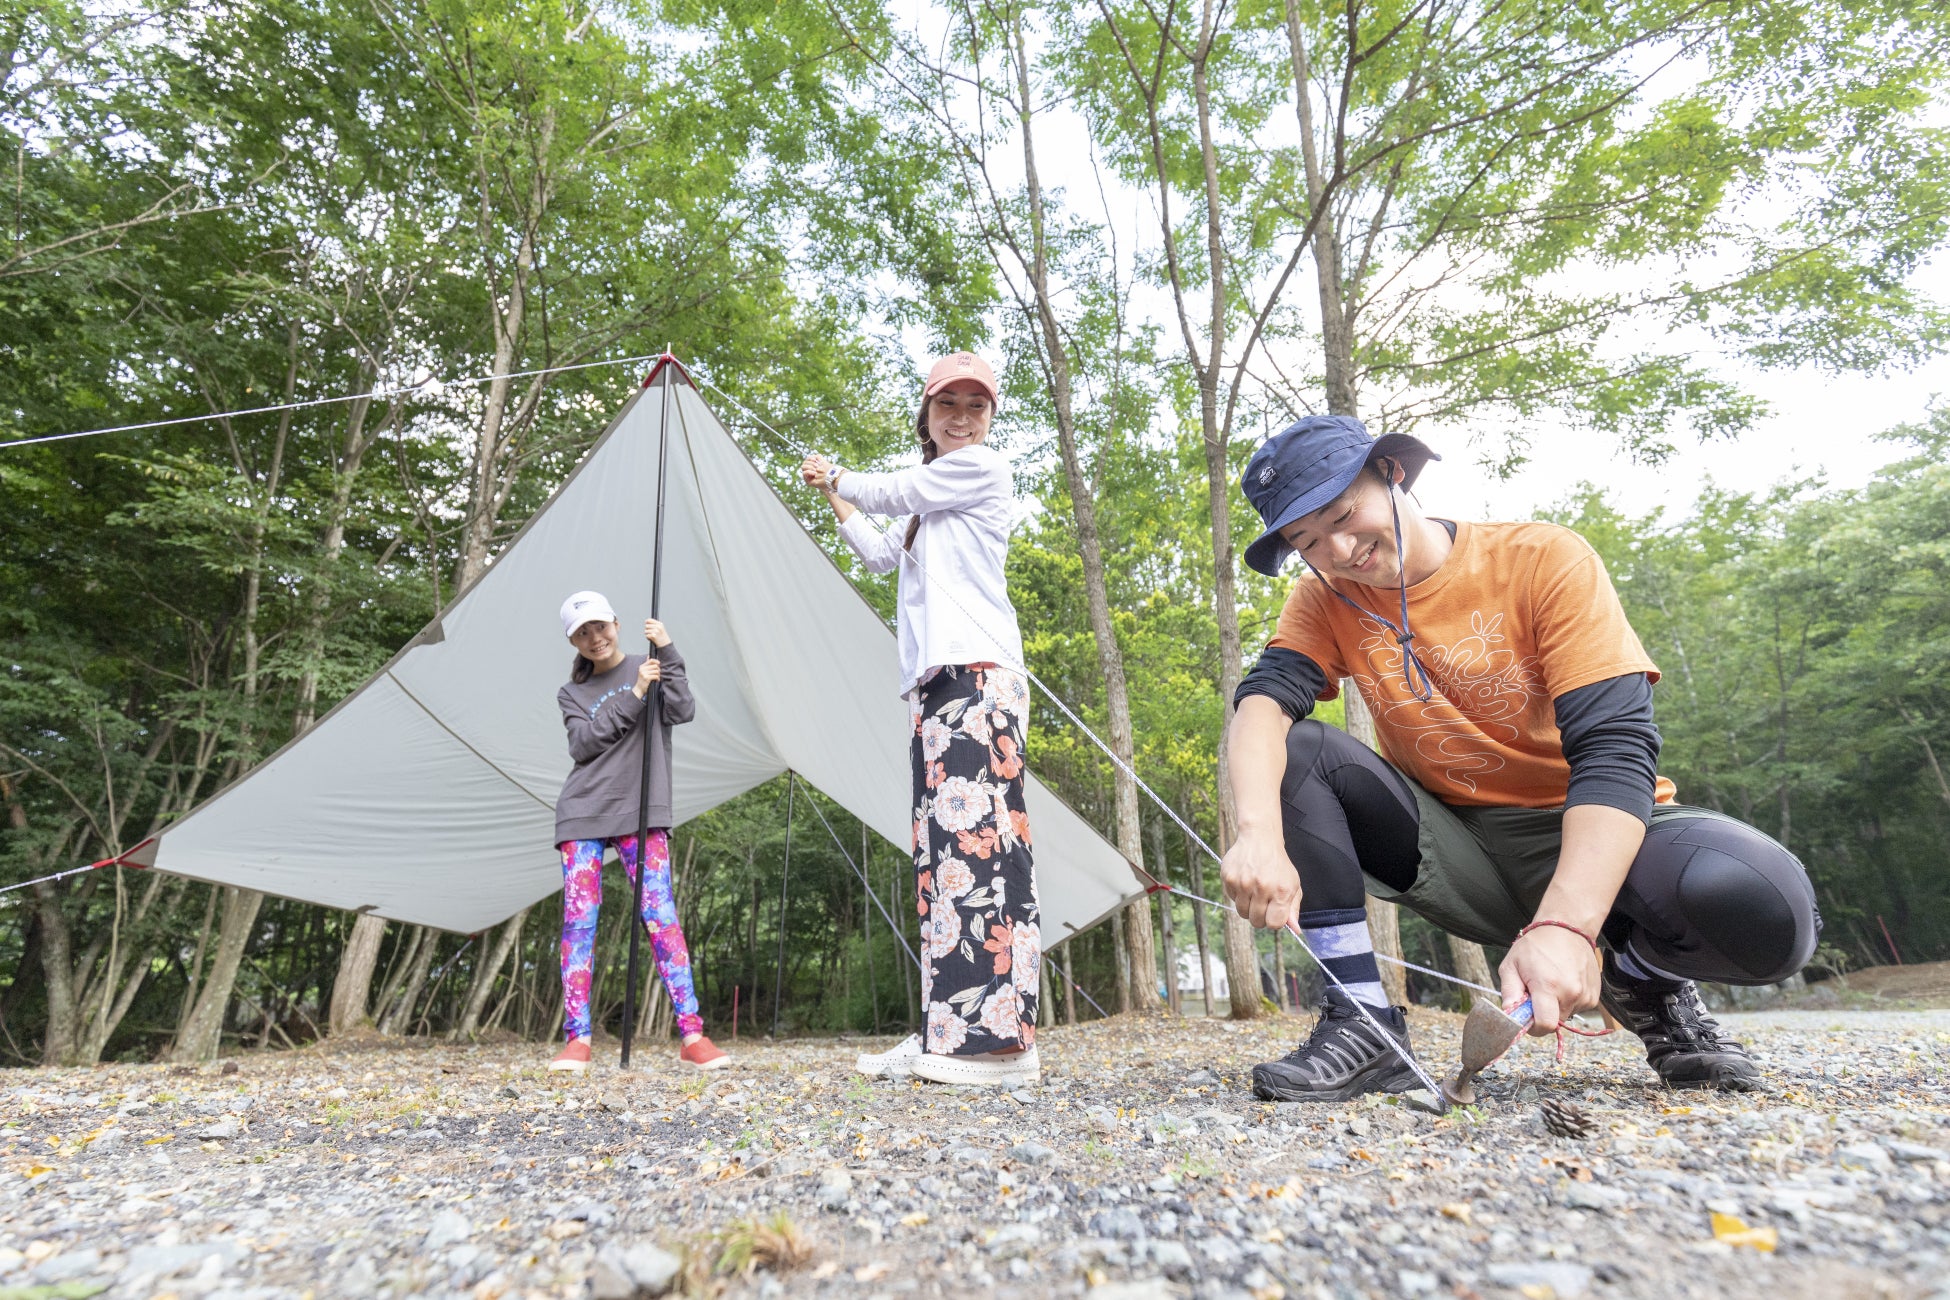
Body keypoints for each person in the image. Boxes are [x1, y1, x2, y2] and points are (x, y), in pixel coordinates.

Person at [1221, 416, 1819, 1101]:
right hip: (1457, 849)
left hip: (1590, 836)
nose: (1340, 549)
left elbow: (1614, 746)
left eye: (1342, 513)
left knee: (1763, 903)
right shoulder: (1324, 600)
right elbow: (1262, 705)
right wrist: (1258, 834)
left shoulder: (1542, 559)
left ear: (1391, 473)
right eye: (1307, 542)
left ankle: (1642, 980)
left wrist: (1567, 924)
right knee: (1301, 752)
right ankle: (1363, 1025)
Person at [798, 351, 1042, 1087]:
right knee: (942, 863)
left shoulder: (980, 470)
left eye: (977, 406)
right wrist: (831, 495)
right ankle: (948, 1028)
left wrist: (841, 475)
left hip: (979, 676)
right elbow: (878, 553)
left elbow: (888, 489)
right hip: (936, 685)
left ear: (990, 419)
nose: (963, 417)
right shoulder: (926, 506)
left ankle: (1000, 1048)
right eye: (949, 405)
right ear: (927, 417)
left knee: (981, 855)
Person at [551, 591, 727, 1072]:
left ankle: (692, 1033)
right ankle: (578, 1039)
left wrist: (667, 651)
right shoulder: (572, 693)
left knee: (660, 915)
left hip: (643, 810)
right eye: (582, 633)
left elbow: (683, 709)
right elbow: (583, 744)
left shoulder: (649, 664)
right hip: (583, 812)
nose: (595, 638)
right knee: (580, 923)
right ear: (574, 640)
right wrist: (633, 695)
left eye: (600, 627)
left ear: (616, 623)